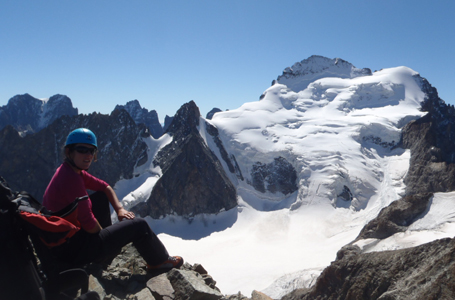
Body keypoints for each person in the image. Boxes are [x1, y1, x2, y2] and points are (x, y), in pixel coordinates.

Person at [42, 128, 183, 270]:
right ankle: (159, 262)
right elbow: (90, 225)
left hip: (65, 243)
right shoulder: (72, 179)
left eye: (92, 151)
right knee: (139, 225)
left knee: (101, 197)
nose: (88, 155)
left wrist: (120, 209)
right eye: (82, 150)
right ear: (69, 152)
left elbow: (105, 187)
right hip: (73, 252)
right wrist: (110, 237)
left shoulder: (70, 171)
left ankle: (104, 253)